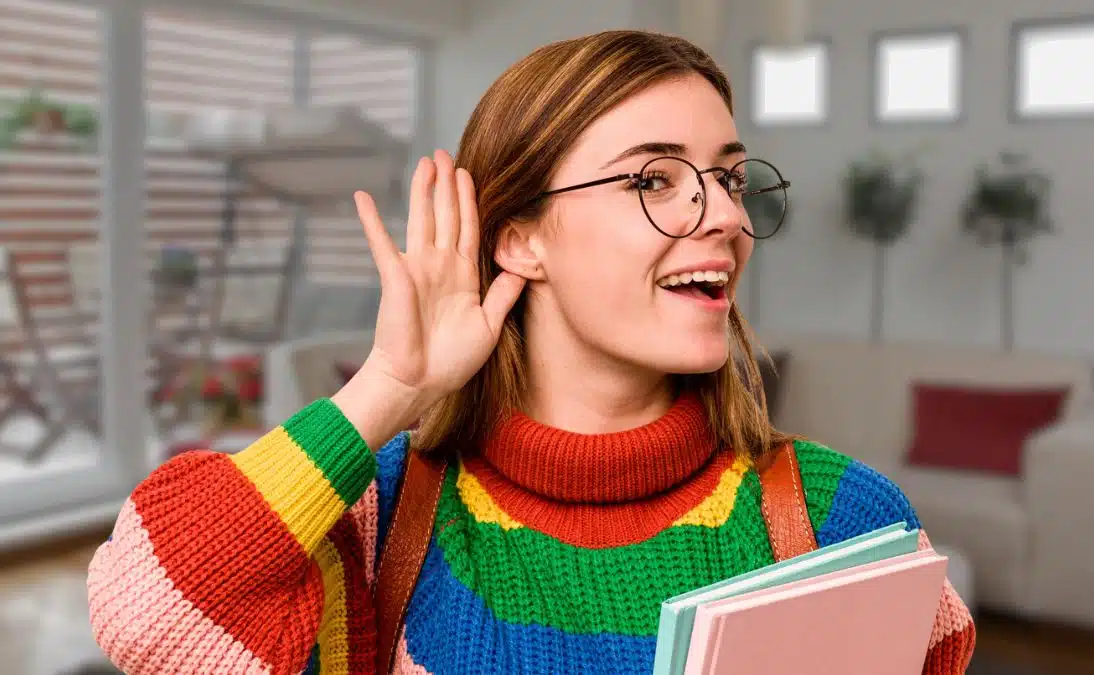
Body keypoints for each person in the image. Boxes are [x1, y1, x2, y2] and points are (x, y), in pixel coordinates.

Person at [86, 29, 974, 675]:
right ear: (520, 240)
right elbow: (147, 610)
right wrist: (389, 386)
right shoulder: (382, 516)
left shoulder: (841, 518)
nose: (726, 217)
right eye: (655, 179)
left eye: (730, 178)